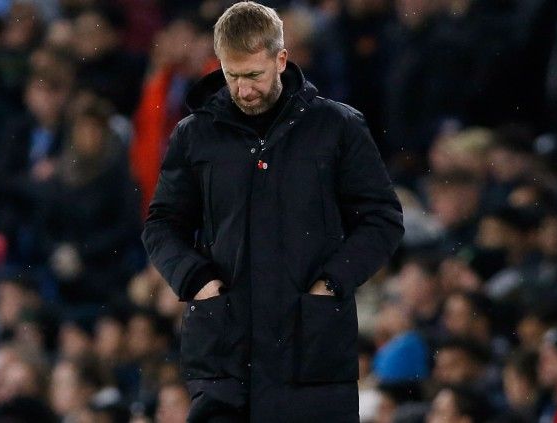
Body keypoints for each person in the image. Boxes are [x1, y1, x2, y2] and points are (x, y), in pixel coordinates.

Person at [141, 2, 404, 421]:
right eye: (231, 75)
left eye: (253, 75)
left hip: (312, 357)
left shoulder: (338, 128)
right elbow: (161, 226)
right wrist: (197, 280)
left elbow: (382, 220)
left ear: (281, 59)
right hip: (224, 356)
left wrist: (332, 284)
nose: (243, 90)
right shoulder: (194, 136)